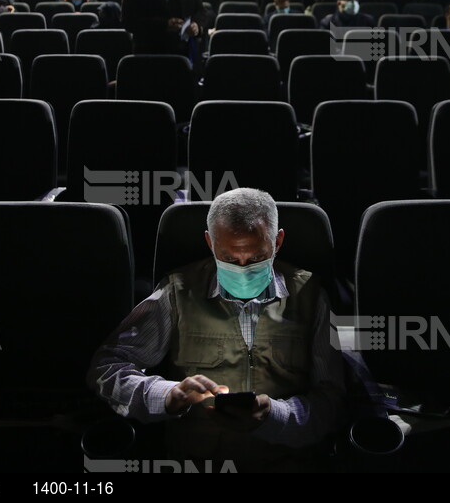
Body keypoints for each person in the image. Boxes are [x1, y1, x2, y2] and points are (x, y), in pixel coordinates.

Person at [88, 188, 345, 472]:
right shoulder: (178, 291)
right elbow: (108, 368)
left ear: (278, 242)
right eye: (230, 259)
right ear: (210, 243)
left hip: (285, 462)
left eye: (257, 258)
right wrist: (168, 395)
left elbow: (331, 399)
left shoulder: (310, 295)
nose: (244, 268)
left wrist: (276, 415)